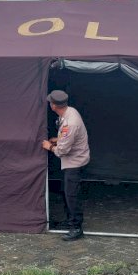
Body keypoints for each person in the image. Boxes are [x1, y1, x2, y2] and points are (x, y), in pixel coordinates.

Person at [42, 90, 90, 241]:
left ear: (54, 106)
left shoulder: (70, 123)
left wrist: (48, 146)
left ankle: (76, 228)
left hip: (74, 162)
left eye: (50, 102)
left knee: (72, 195)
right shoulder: (70, 112)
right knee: (66, 191)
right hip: (73, 160)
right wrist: (58, 139)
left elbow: (62, 151)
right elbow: (67, 138)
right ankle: (70, 221)